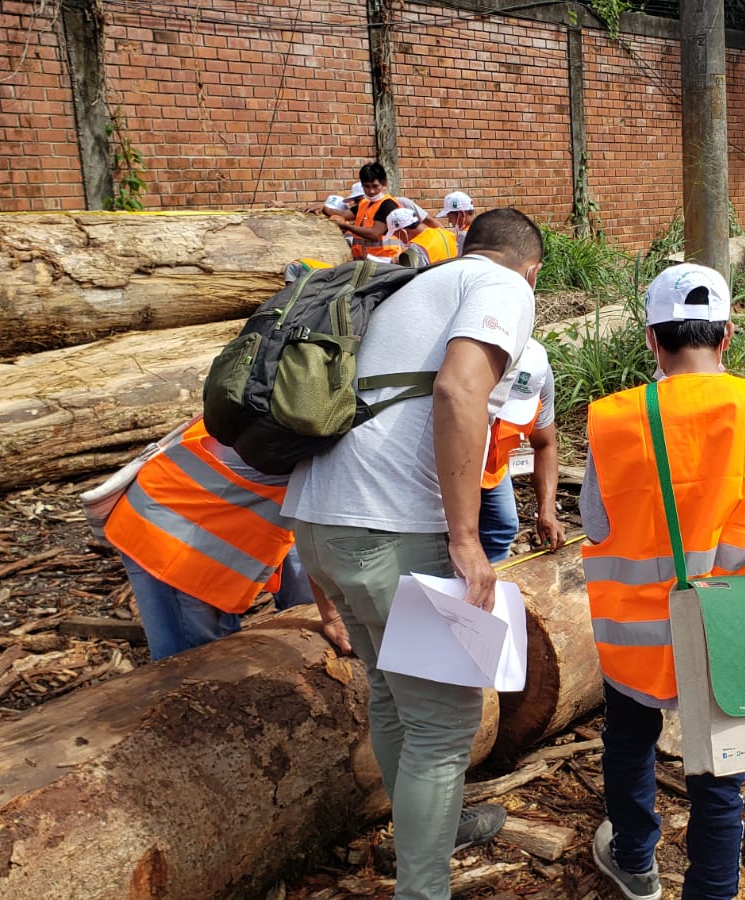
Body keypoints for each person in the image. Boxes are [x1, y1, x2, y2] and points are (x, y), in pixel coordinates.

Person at [283, 208, 545, 900]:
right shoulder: (506, 287)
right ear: (531, 268)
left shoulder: (413, 287)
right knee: (443, 723)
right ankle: (423, 888)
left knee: (397, 702)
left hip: (321, 519)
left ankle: (432, 829)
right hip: (392, 528)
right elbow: (459, 388)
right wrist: (464, 536)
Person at [581, 263, 745, 900]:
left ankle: (635, 861)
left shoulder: (613, 418)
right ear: (727, 335)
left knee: (629, 738)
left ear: (651, 338)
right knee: (722, 772)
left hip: (638, 630)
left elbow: (596, 523)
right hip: (734, 624)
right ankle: (711, 890)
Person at [101, 417, 348, 661]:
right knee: (194, 664)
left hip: (225, 509)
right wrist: (333, 615)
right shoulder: (330, 425)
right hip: (173, 527)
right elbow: (319, 529)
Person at [479, 340, 565, 562]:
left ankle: (495, 585)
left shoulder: (539, 373)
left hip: (492, 465)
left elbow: (544, 444)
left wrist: (547, 510)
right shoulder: (471, 367)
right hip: (446, 458)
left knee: (502, 525)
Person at [307, 163, 402, 262]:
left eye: (375, 186)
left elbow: (375, 234)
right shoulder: (365, 204)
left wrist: (347, 226)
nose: (371, 191)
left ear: (384, 184)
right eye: (367, 186)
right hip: (367, 262)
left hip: (386, 261)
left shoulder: (388, 204)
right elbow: (343, 214)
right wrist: (324, 208)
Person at [385, 203, 459, 265]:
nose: (399, 239)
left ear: (402, 232)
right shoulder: (447, 234)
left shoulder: (416, 248)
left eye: (397, 236)